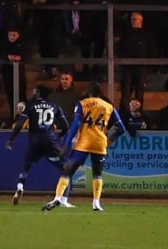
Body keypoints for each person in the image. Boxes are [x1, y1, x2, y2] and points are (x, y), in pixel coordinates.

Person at [44, 83, 126, 213]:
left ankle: (57, 198)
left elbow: (75, 125)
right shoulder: (109, 107)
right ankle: (96, 203)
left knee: (67, 172)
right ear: (100, 94)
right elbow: (121, 129)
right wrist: (110, 139)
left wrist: (66, 144)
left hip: (84, 143)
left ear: (89, 93)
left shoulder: (82, 103)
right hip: (100, 143)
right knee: (97, 174)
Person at [6, 85, 67, 206]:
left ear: (39, 94)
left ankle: (20, 186)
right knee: (64, 170)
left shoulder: (31, 106)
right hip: (50, 142)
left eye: (35, 92)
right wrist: (58, 137)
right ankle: (62, 199)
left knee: (26, 167)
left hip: (35, 142)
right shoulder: (55, 106)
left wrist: (12, 138)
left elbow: (19, 124)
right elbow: (66, 126)